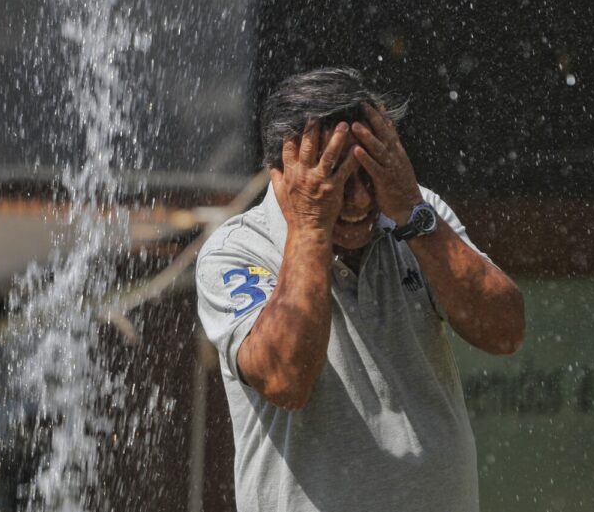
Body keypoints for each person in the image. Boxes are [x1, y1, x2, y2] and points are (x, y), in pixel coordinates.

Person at [196, 67, 525, 512]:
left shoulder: (413, 210)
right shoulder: (234, 252)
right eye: (335, 176)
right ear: (281, 172)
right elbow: (286, 379)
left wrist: (412, 210)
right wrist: (312, 225)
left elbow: (504, 331)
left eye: (367, 174)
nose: (358, 200)